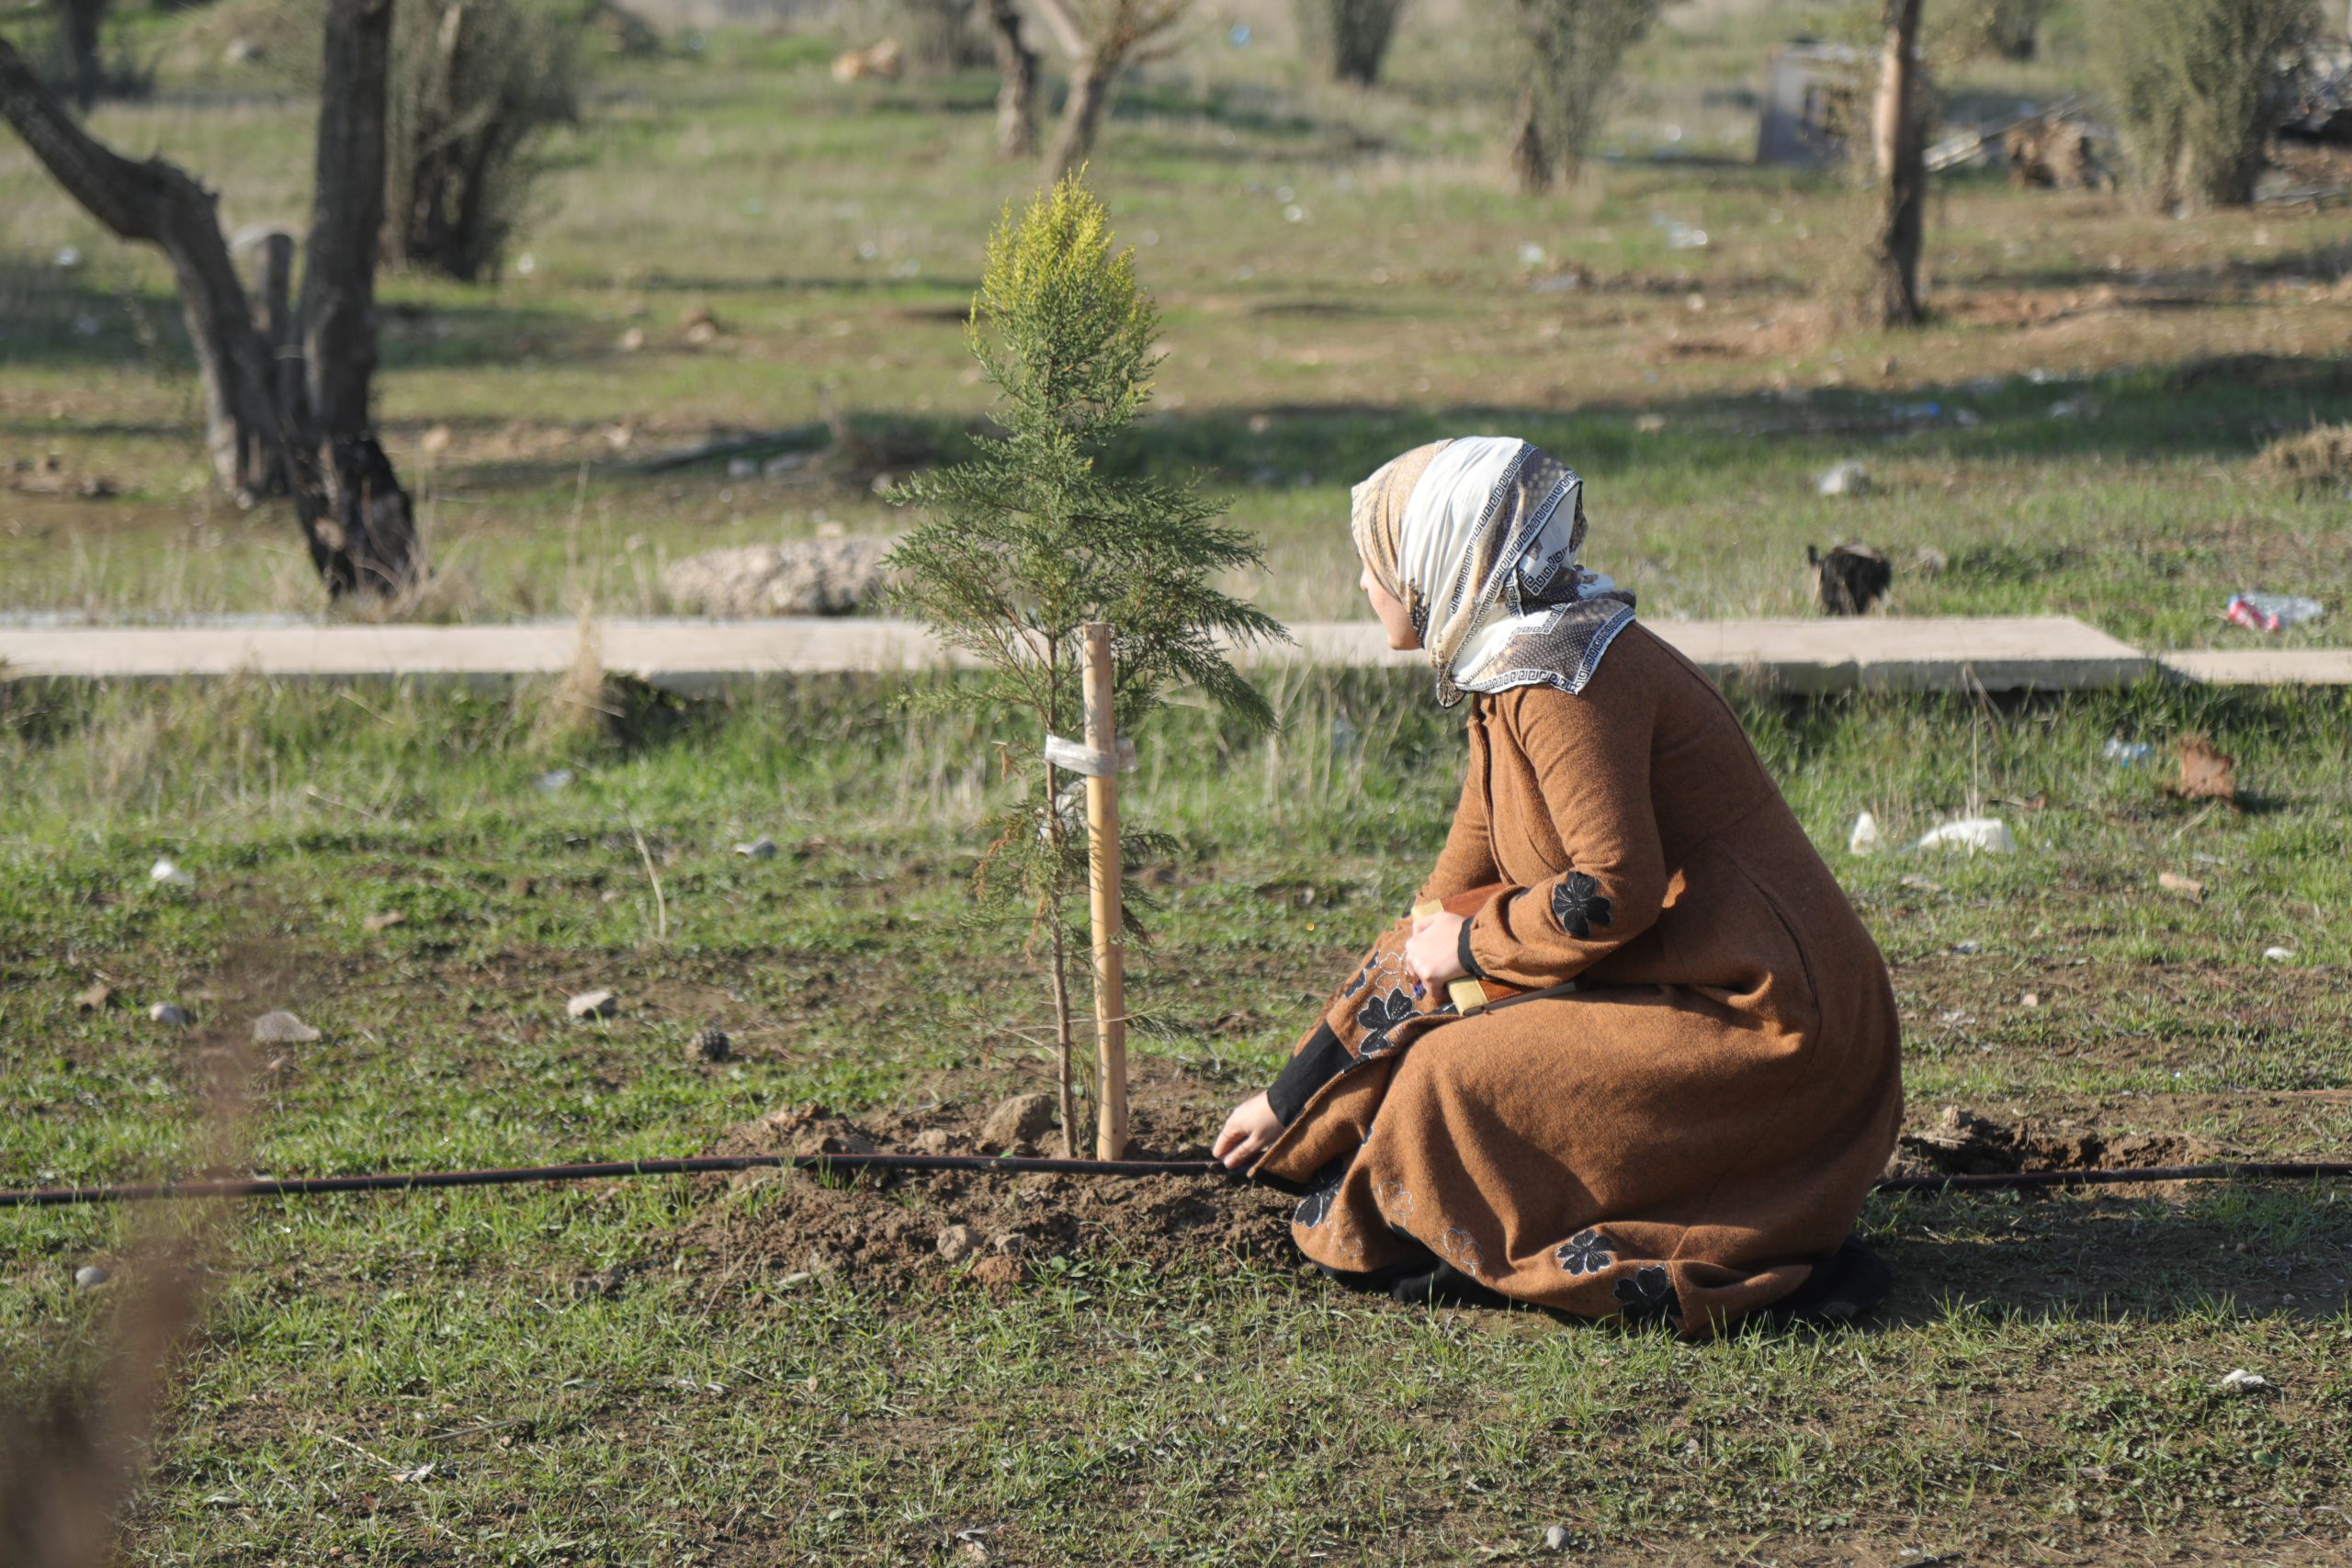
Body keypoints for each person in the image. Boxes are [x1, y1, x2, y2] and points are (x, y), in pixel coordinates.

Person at [1212, 436, 1904, 1337]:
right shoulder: (1505, 673)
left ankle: (1553, 1229)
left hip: (1773, 1029)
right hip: (1702, 997)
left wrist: (1465, 949)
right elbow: (1438, 907)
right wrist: (1289, 1097)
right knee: (1437, 1015)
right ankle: (1420, 1192)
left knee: (1445, 1076)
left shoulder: (1563, 682)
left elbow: (1612, 890)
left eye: (1375, 564)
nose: (1362, 585)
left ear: (1438, 565)